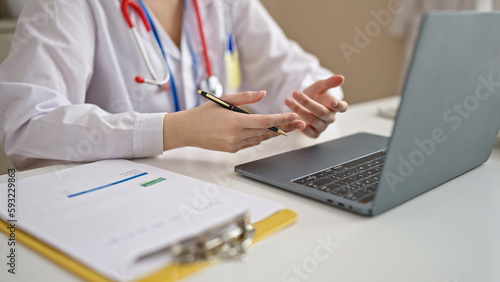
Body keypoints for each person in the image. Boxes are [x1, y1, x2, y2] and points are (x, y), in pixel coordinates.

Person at [0, 0, 348, 170]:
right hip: (109, 202)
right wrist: (172, 130)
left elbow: (286, 64)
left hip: (207, 188)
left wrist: (315, 98)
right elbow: (27, 124)